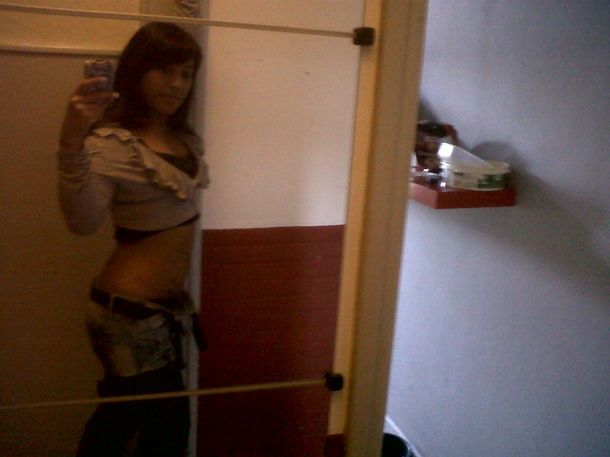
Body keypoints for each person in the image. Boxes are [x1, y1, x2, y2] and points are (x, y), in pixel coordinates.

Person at [57, 22, 209, 457]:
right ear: (137, 71)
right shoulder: (111, 142)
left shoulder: (182, 138)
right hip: (127, 314)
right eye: (164, 70)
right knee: (158, 431)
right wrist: (71, 137)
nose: (176, 84)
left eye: (186, 73)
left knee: (131, 425)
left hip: (160, 311)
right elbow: (82, 222)